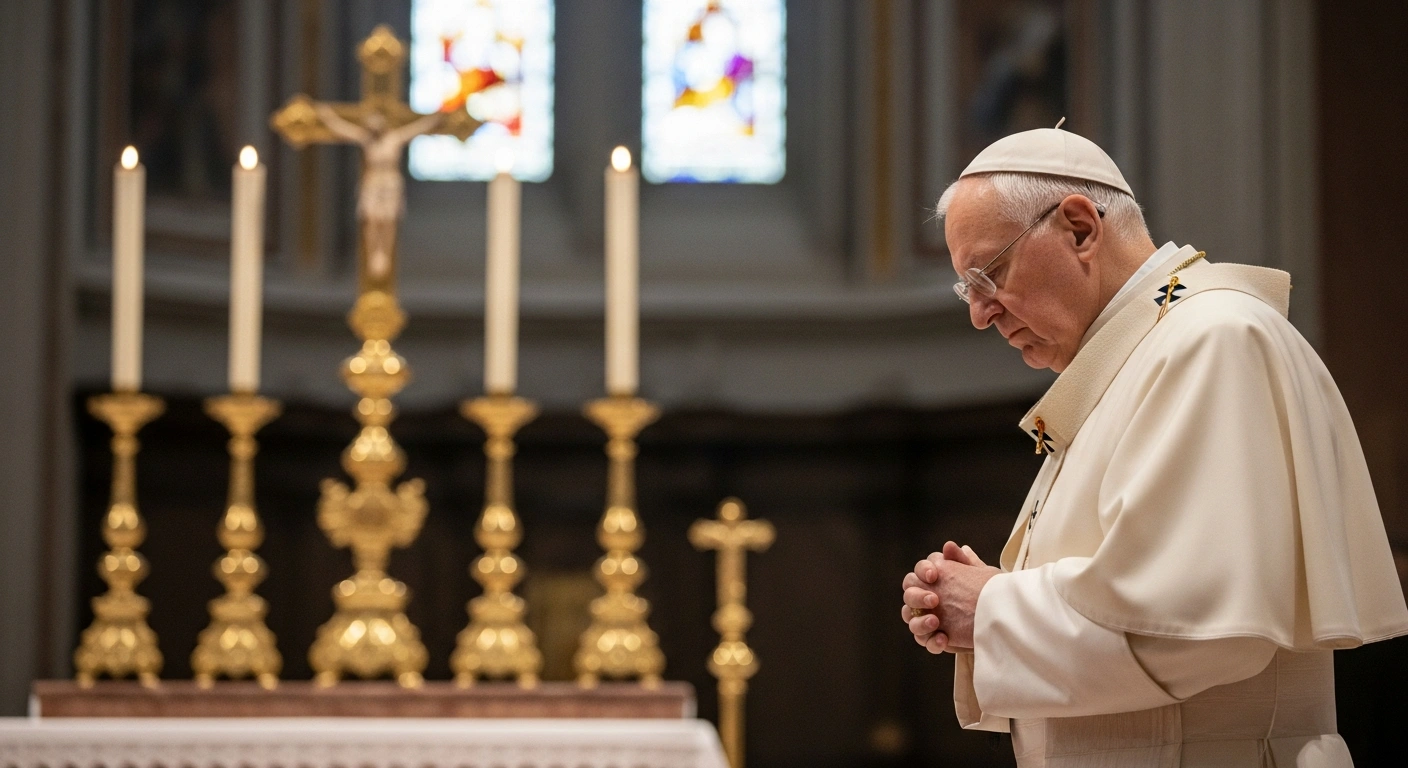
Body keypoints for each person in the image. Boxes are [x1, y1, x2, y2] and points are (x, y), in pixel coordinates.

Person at [901, 126, 1408, 767]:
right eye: (966, 288)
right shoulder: (1130, 366)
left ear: (1080, 228)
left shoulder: (1213, 341)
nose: (980, 313)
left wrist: (992, 608)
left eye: (988, 274)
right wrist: (986, 606)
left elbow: (1200, 627)